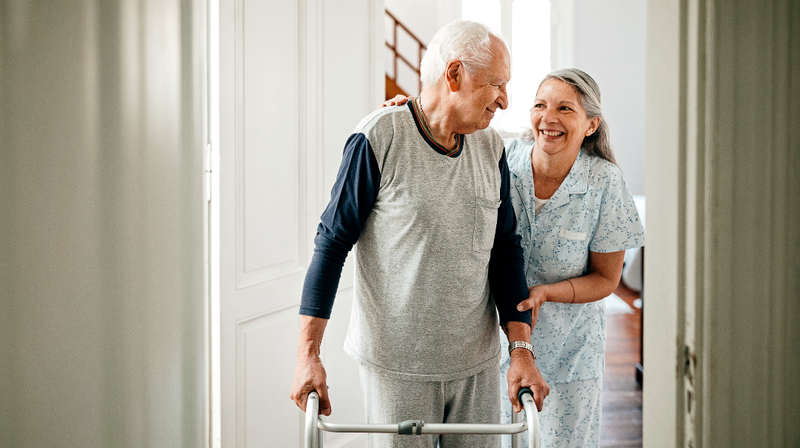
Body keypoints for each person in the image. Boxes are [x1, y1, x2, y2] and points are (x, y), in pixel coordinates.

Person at [289, 20, 550, 448]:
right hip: (398, 369)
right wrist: (308, 357)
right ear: (454, 75)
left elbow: (506, 250)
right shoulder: (379, 137)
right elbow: (332, 244)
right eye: (496, 85)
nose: (505, 100)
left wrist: (520, 349)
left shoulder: (490, 147)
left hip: (477, 366)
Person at [384, 68, 645, 447]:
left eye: (565, 109)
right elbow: (444, 134)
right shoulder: (501, 157)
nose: (548, 118)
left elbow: (607, 279)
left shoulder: (604, 183)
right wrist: (406, 115)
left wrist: (546, 293)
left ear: (591, 125)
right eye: (540, 105)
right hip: (493, 347)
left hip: (571, 356)